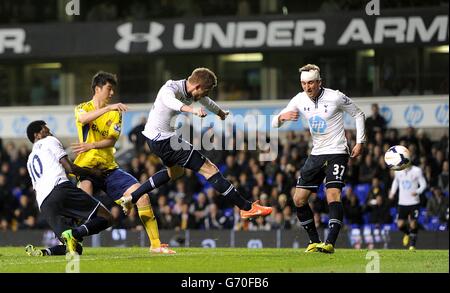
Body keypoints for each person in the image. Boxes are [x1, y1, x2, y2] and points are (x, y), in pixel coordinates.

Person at [116, 67, 272, 220]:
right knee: (209, 169)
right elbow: (170, 102)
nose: (206, 94)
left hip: (157, 140)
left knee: (175, 173)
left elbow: (206, 101)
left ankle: (131, 198)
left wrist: (220, 113)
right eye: (206, 90)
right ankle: (247, 208)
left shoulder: (191, 91)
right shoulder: (170, 88)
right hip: (164, 140)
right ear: (197, 86)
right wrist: (192, 110)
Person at [71, 71, 174, 254]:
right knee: (82, 202)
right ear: (97, 89)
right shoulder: (83, 107)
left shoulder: (115, 113)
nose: (112, 94)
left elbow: (111, 140)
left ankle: (156, 245)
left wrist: (92, 144)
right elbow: (83, 119)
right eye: (109, 89)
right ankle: (70, 239)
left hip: (109, 169)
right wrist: (108, 108)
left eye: (113, 90)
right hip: (86, 169)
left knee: (142, 196)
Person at [272, 64, 366, 253]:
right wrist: (282, 117)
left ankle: (330, 242)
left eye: (311, 83)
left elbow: (359, 114)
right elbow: (274, 123)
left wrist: (360, 141)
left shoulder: (335, 97)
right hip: (316, 153)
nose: (307, 87)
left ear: (319, 82)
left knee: (332, 194)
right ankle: (314, 241)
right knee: (298, 199)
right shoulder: (299, 99)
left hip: (337, 151)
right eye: (304, 83)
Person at [24, 120, 112, 256]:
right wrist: (94, 173)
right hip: (59, 189)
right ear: (37, 135)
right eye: (45, 130)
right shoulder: (49, 140)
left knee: (74, 249)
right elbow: (70, 167)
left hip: (44, 203)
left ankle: (44, 252)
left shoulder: (30, 158)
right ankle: (74, 233)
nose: (49, 132)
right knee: (107, 217)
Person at [388, 163, 427, 250]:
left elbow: (424, 184)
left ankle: (412, 245)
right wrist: (392, 192)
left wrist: (417, 191)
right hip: (402, 203)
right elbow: (396, 181)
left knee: (413, 223)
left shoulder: (417, 170)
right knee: (400, 225)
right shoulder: (398, 171)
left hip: (414, 202)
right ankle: (407, 233)